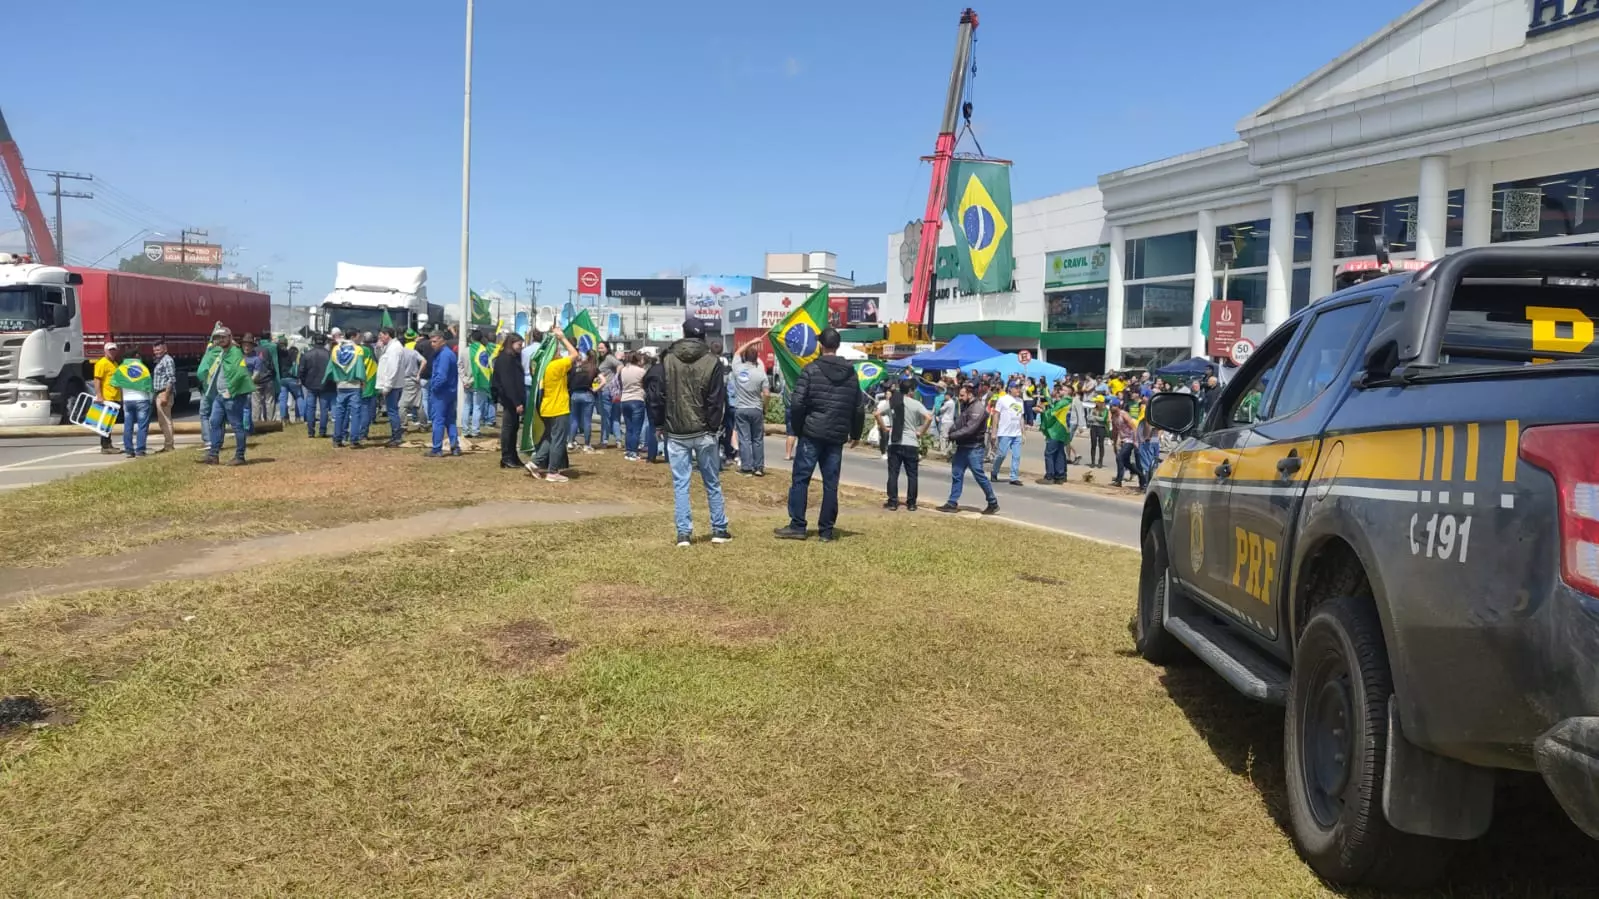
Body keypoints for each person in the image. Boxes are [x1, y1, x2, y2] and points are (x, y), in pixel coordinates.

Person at [646, 319, 730, 547]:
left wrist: (659, 424)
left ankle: (684, 533)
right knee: (712, 481)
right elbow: (716, 400)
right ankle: (719, 529)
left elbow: (658, 395)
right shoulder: (713, 362)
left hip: (676, 430)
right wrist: (714, 427)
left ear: (682, 333)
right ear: (704, 336)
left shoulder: (668, 359)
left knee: (681, 484)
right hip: (704, 431)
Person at [775, 328, 863, 542]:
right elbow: (858, 407)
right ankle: (826, 530)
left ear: (822, 346)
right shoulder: (851, 373)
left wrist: (796, 427)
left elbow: (797, 402)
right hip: (836, 435)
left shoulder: (811, 369)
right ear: (837, 346)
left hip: (812, 432)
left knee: (801, 479)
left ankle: (798, 525)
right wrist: (856, 433)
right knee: (830, 483)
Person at [937, 382, 1000, 515]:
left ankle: (992, 502)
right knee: (956, 474)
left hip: (974, 448)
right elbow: (959, 423)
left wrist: (953, 435)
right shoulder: (966, 406)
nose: (959, 397)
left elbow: (970, 429)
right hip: (963, 447)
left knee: (979, 476)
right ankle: (952, 502)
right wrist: (951, 431)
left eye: (962, 395)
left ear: (970, 394)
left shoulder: (978, 408)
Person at [197, 326, 254, 465]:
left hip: (231, 395)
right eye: (218, 337)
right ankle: (213, 455)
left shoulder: (235, 353)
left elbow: (240, 373)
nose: (220, 340)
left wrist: (231, 390)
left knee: (237, 425)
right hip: (220, 395)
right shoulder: (223, 352)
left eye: (223, 337)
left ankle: (240, 456)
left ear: (230, 337)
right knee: (214, 422)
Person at [875, 374, 930, 511]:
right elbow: (928, 417)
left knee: (893, 473)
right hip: (911, 442)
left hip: (895, 442)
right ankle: (911, 503)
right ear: (911, 390)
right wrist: (921, 432)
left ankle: (893, 502)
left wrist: (884, 428)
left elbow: (876, 413)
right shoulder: (916, 404)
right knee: (912, 475)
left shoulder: (894, 402)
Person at [531, 329, 580, 480]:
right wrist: (563, 338)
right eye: (557, 350)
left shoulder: (542, 366)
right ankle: (553, 472)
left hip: (546, 406)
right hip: (558, 407)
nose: (560, 352)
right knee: (558, 440)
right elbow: (574, 354)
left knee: (549, 438)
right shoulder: (557, 365)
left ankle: (535, 463)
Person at [730, 337, 769, 477]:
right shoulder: (761, 374)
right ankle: (759, 467)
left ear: (744, 357)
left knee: (744, 439)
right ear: (756, 359)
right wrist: (765, 406)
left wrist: (751, 342)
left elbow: (737, 353)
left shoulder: (738, 368)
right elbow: (766, 393)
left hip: (740, 408)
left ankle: (746, 467)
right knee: (757, 439)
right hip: (756, 408)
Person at [492, 332, 528, 470]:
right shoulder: (505, 359)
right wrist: (516, 402)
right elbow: (508, 383)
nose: (521, 347)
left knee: (514, 428)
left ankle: (513, 456)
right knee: (508, 428)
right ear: (511, 343)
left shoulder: (513, 358)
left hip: (514, 398)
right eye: (519, 345)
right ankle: (506, 457)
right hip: (509, 399)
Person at [111, 347, 154, 458]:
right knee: (142, 426)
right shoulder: (142, 368)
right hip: (141, 399)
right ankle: (140, 450)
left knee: (128, 426)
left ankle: (129, 450)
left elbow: (115, 383)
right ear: (136, 356)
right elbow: (148, 385)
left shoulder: (121, 368)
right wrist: (151, 399)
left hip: (127, 400)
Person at [327, 332, 366, 448]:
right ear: (353, 336)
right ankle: (354, 440)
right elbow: (360, 367)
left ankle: (337, 439)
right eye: (358, 336)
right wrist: (362, 381)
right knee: (355, 413)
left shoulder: (336, 349)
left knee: (339, 412)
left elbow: (331, 366)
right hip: (354, 384)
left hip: (340, 384)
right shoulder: (358, 349)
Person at [425, 331, 461, 457]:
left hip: (441, 393)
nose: (432, 344)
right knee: (450, 420)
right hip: (450, 392)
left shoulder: (444, 355)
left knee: (438, 420)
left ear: (442, 340)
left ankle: (436, 448)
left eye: (435, 341)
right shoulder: (448, 353)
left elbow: (441, 376)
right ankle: (455, 446)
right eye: (431, 342)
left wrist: (434, 388)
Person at [375, 328, 409, 448]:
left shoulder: (394, 348)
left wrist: (387, 386)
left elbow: (392, 369)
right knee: (392, 410)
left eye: (381, 336)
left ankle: (396, 437)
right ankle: (396, 435)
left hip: (392, 385)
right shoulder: (391, 347)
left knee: (392, 411)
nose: (379, 339)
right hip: (393, 384)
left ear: (387, 335)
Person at [297, 333, 333, 438]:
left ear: (313, 341)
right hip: (325, 385)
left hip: (310, 385)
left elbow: (301, 371)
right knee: (324, 409)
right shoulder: (329, 354)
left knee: (310, 408)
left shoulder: (307, 354)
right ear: (325, 342)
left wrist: (305, 383)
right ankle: (322, 431)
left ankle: (310, 431)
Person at [990, 381, 1025, 486]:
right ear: (1010, 389)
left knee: (1017, 456)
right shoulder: (1002, 400)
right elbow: (996, 415)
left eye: (1019, 388)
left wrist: (1023, 432)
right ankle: (994, 471)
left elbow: (1021, 417)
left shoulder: (1020, 401)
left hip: (1016, 433)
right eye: (1016, 388)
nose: (1018, 390)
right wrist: (994, 431)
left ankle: (1014, 477)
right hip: (1005, 432)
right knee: (1001, 454)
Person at [92, 343, 123, 454]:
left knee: (110, 423)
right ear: (105, 351)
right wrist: (99, 395)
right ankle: (105, 446)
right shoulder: (101, 363)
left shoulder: (115, 364)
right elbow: (97, 380)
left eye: (114, 349)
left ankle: (108, 444)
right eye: (110, 350)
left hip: (115, 397)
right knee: (105, 423)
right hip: (107, 397)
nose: (112, 351)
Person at [618, 351, 649, 461]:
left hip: (625, 399)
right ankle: (633, 452)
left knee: (629, 428)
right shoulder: (642, 371)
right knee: (636, 429)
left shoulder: (623, 370)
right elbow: (646, 384)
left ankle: (628, 450)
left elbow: (620, 383)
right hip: (637, 399)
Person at [1039, 389, 1073, 484]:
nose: (1060, 390)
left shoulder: (1063, 402)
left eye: (1063, 389)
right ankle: (1060, 475)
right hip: (1062, 430)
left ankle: (1050, 475)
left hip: (1056, 430)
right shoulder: (1068, 402)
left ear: (1067, 392)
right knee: (1059, 453)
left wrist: (1042, 411)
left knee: (1049, 453)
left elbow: (1051, 414)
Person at [567, 351, 598, 453]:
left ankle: (570, 442)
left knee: (574, 419)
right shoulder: (593, 368)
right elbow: (603, 380)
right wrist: (595, 389)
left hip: (575, 395)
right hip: (587, 394)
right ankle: (587, 444)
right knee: (587, 421)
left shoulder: (577, 368)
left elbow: (569, 381)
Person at [466, 330, 495, 439]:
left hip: (467, 382)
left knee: (467, 406)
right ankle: (475, 430)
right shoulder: (485, 350)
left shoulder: (466, 350)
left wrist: (464, 379)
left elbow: (460, 365)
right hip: (480, 382)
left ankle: (465, 430)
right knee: (477, 407)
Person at [151, 340, 177, 454]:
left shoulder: (167, 360)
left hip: (164, 393)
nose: (156, 352)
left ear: (165, 349)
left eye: (159, 349)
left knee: (166, 420)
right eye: (155, 350)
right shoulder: (159, 360)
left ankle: (169, 446)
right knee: (162, 421)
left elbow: (171, 379)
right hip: (159, 393)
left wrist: (165, 395)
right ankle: (167, 444)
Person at [355, 332, 380, 446]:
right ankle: (364, 432)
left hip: (364, 382)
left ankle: (362, 434)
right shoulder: (372, 350)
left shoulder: (361, 350)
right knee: (369, 409)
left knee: (363, 409)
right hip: (372, 381)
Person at [596, 342, 622, 449]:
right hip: (613, 392)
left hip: (606, 390)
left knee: (606, 417)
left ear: (607, 348)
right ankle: (618, 440)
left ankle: (605, 440)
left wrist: (616, 377)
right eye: (598, 348)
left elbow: (620, 365)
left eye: (602, 348)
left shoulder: (609, 358)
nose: (600, 350)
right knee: (615, 417)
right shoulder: (602, 360)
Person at [1110, 398, 1141, 488]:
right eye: (1111, 406)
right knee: (1126, 462)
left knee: (1119, 458)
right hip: (1124, 439)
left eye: (1114, 406)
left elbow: (1134, 428)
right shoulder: (1114, 417)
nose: (1112, 408)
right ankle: (1139, 474)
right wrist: (1115, 443)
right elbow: (1115, 431)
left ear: (1118, 406)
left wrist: (1135, 441)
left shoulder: (1124, 415)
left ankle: (1119, 480)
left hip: (1130, 439)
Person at [276, 336, 302, 425]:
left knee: (283, 399)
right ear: (286, 344)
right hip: (292, 378)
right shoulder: (291, 352)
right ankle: (299, 417)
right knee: (298, 397)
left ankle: (284, 419)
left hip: (282, 379)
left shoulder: (277, 354)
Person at [1088, 395, 1110, 468]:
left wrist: (1095, 417)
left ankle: (1100, 461)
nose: (1095, 402)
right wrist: (1097, 418)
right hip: (1093, 427)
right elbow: (1089, 418)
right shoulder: (1093, 409)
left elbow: (1104, 419)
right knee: (1093, 444)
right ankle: (1093, 462)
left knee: (1101, 445)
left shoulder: (1105, 410)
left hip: (1101, 428)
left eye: (1096, 401)